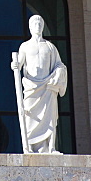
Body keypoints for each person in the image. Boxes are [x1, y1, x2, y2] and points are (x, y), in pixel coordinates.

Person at [10, 14, 67, 154]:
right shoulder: (25, 46)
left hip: (48, 87)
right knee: (30, 116)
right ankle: (30, 146)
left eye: (40, 23)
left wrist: (59, 72)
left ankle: (49, 147)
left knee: (49, 118)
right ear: (30, 27)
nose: (38, 26)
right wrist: (15, 65)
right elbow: (19, 63)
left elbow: (59, 64)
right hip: (32, 87)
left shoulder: (50, 47)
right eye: (35, 23)